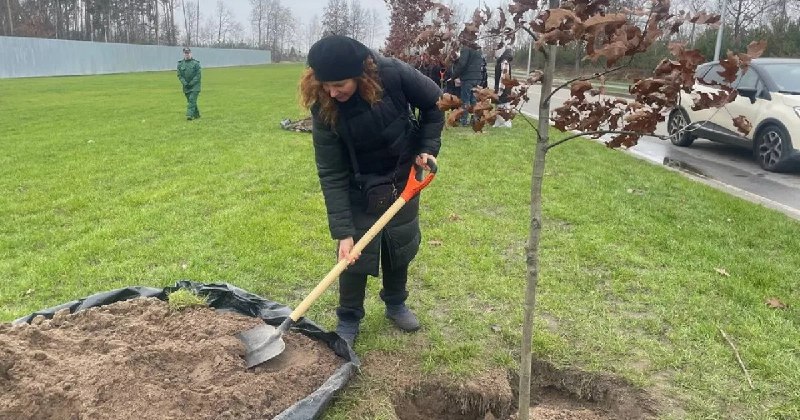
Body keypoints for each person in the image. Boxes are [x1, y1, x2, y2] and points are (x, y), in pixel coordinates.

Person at [299, 35, 444, 346]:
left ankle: (395, 303)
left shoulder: (394, 73)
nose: (331, 92)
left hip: (404, 175)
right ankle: (348, 317)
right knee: (352, 255)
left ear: (360, 75)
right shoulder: (324, 109)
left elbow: (436, 104)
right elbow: (331, 172)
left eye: (339, 84)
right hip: (359, 184)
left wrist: (427, 148)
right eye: (325, 84)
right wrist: (342, 231)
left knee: (399, 244)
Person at [450, 41, 484, 126]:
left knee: (465, 100)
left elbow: (462, 64)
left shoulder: (465, 49)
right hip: (477, 77)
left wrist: (453, 76)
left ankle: (464, 121)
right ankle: (475, 120)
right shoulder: (478, 51)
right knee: (473, 100)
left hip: (468, 78)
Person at [177, 47, 201, 120]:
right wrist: (185, 83)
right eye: (185, 53)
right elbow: (179, 75)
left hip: (195, 86)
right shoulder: (180, 64)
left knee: (191, 99)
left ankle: (189, 115)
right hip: (186, 86)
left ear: (191, 53)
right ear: (183, 54)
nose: (187, 54)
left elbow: (198, 75)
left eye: (188, 53)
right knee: (191, 101)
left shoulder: (196, 63)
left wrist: (191, 83)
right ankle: (197, 115)